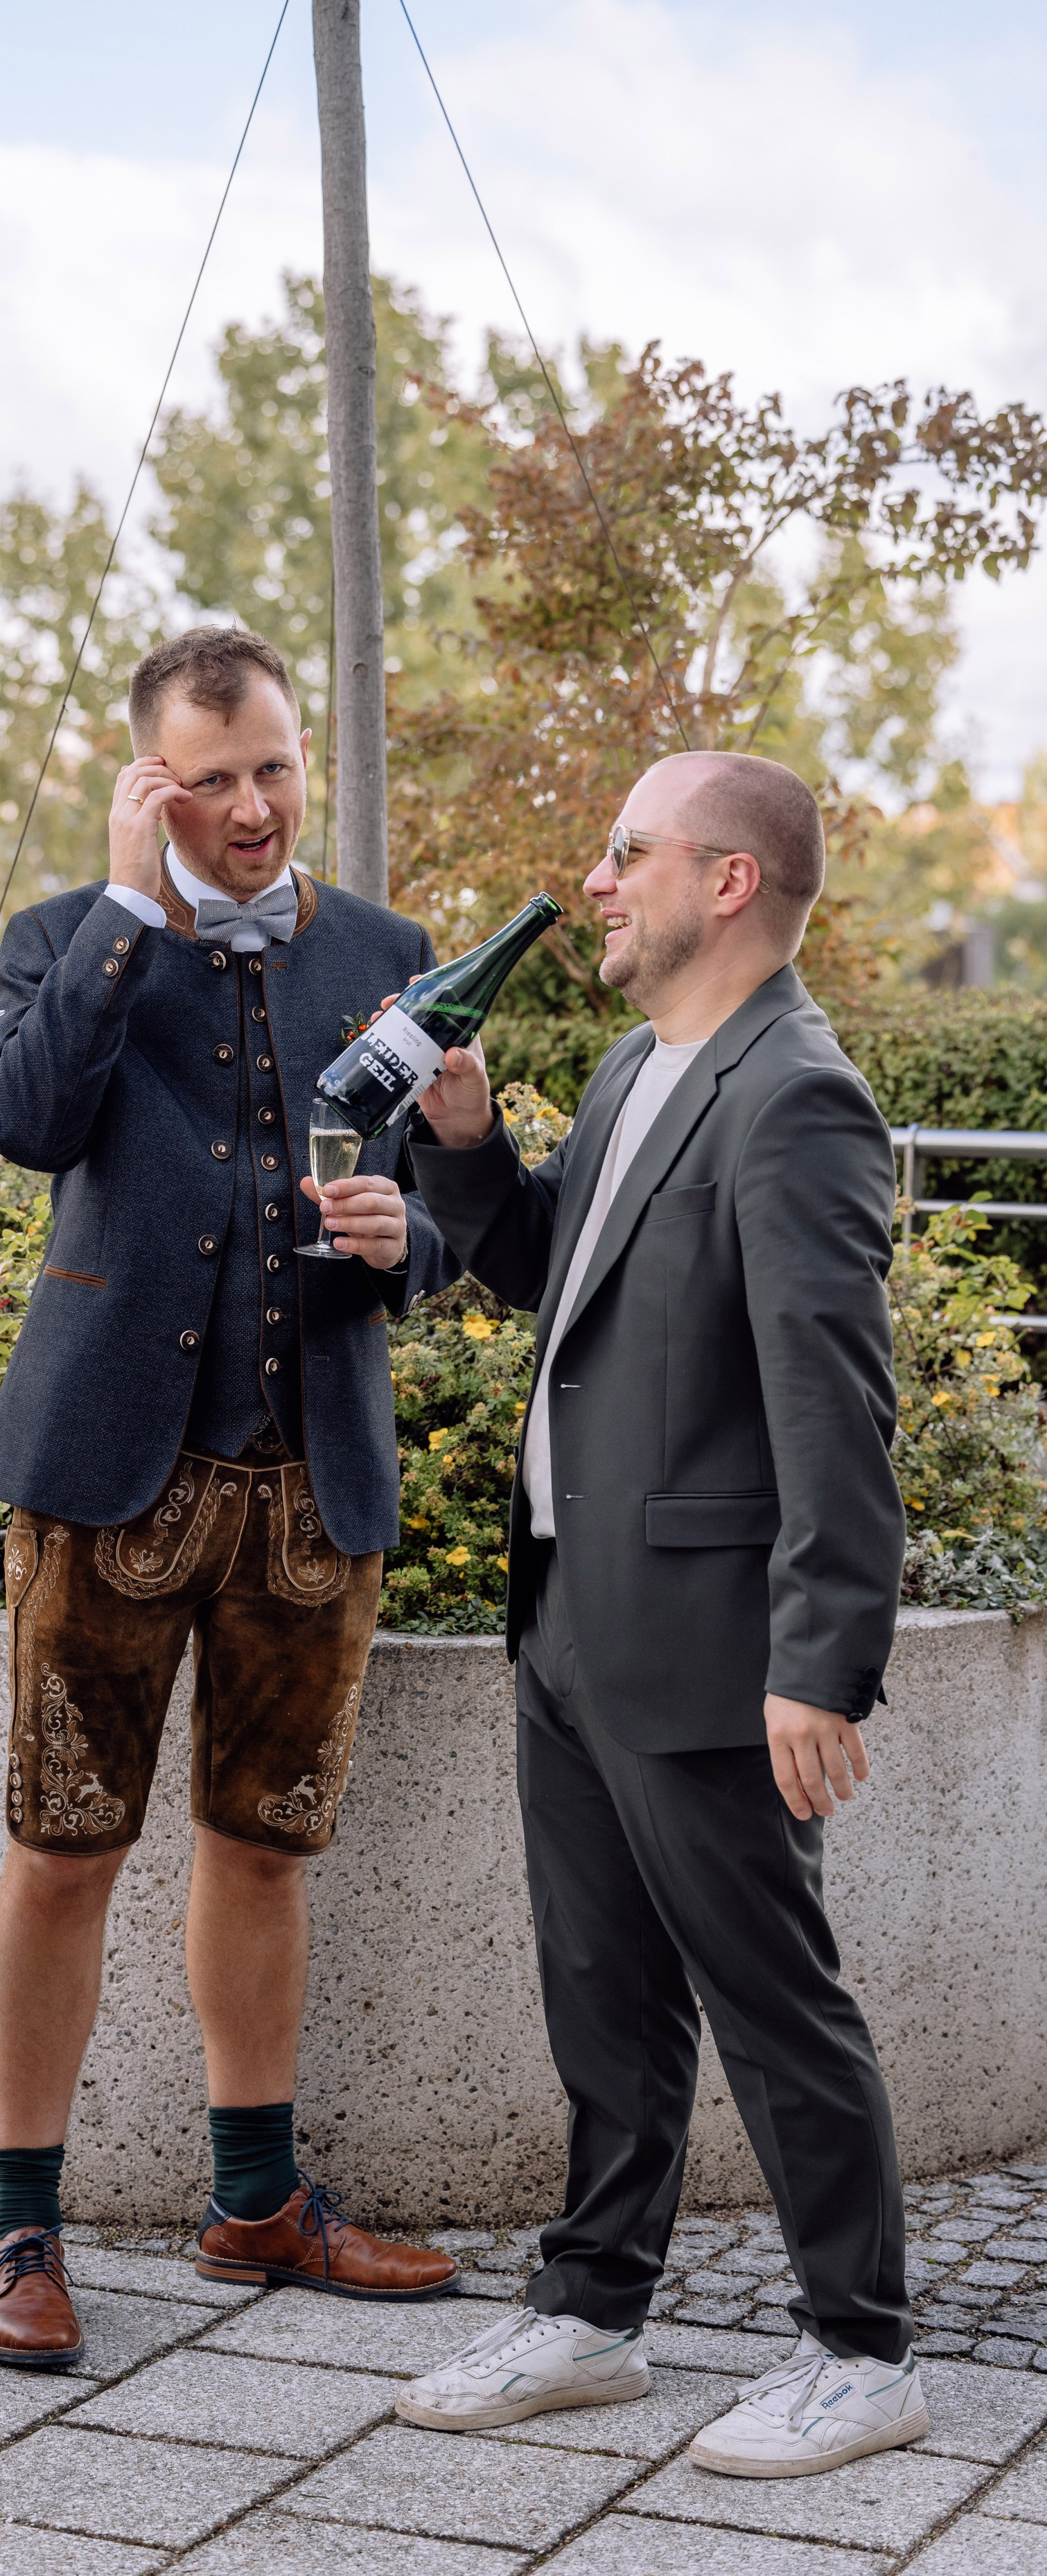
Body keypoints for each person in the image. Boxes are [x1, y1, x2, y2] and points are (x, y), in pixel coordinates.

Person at [395, 751, 924, 2476]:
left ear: (725, 884)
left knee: (773, 1999)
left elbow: (832, 1398)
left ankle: (860, 2346)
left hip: (708, 1640)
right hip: (569, 1611)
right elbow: (555, 1266)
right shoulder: (635, 1063)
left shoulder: (797, 1095)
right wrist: (471, 1155)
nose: (595, 881)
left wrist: (816, 1658)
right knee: (600, 1984)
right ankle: (590, 2308)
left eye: (628, 853)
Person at [0, 625, 463, 2368]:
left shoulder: (390, 958)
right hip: (107, 1475)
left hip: (312, 1479)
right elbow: (26, 1126)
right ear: (149, 778)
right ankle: (20, 2226)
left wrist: (422, 1236)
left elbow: (446, 1202)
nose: (252, 806)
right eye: (212, 777)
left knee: (262, 1847)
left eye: (273, 766)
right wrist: (122, 910)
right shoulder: (59, 942)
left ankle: (255, 2203)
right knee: (58, 1848)